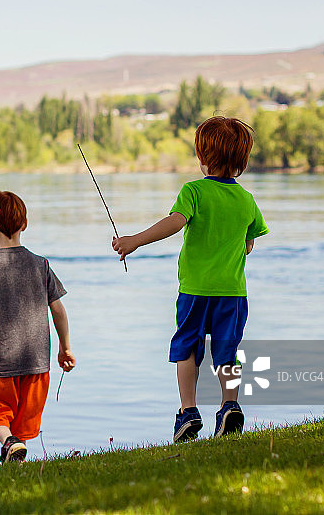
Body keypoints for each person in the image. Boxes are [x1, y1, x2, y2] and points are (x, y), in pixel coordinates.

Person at [112, 116, 268, 442]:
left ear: (204, 157)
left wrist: (135, 240)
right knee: (227, 351)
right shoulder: (247, 200)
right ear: (241, 159)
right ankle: (229, 405)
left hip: (196, 290)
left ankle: (188, 411)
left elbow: (175, 222)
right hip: (233, 293)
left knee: (187, 349)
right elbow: (249, 244)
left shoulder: (193, 191)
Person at [0, 190, 76, 463]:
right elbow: (58, 309)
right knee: (24, 418)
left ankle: (8, 442)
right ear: (24, 224)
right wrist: (65, 347)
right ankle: (15, 453)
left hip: (0, 363)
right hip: (37, 363)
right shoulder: (41, 265)